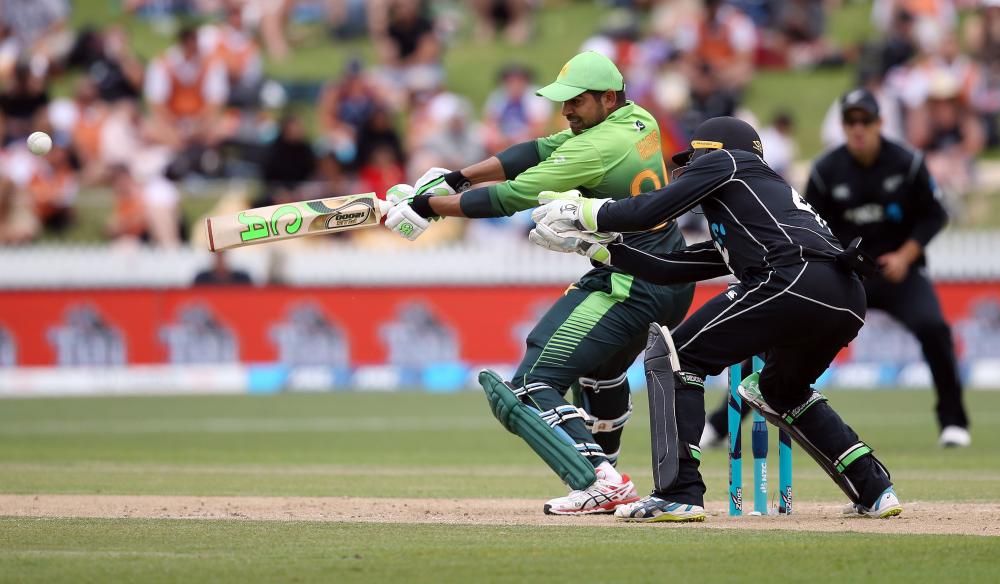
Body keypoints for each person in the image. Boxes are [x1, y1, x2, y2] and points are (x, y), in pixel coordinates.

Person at [530, 116, 901, 522]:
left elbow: (652, 209)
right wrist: (595, 248)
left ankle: (679, 493)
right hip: (844, 296)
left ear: (714, 151)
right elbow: (668, 267)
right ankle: (874, 488)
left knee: (675, 357)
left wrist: (586, 211)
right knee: (781, 392)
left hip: (793, 278)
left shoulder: (729, 162)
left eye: (694, 158)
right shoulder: (756, 208)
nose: (687, 169)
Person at [383, 51, 695, 515]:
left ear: (608, 98)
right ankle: (605, 475)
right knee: (601, 375)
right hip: (669, 274)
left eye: (576, 102)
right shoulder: (638, 120)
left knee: (532, 382)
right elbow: (537, 151)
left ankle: (599, 479)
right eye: (563, 100)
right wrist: (455, 178)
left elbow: (512, 196)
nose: (566, 110)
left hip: (631, 282)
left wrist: (428, 207)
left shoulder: (594, 148)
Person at [808, 89, 970, 447]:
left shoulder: (907, 163)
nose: (858, 128)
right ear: (844, 126)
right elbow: (810, 226)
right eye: (851, 121)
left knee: (934, 328)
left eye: (866, 120)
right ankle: (724, 423)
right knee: (791, 331)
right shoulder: (825, 171)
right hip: (848, 276)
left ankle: (954, 423)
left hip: (900, 271)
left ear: (880, 123)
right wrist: (838, 261)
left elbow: (934, 215)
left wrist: (906, 255)